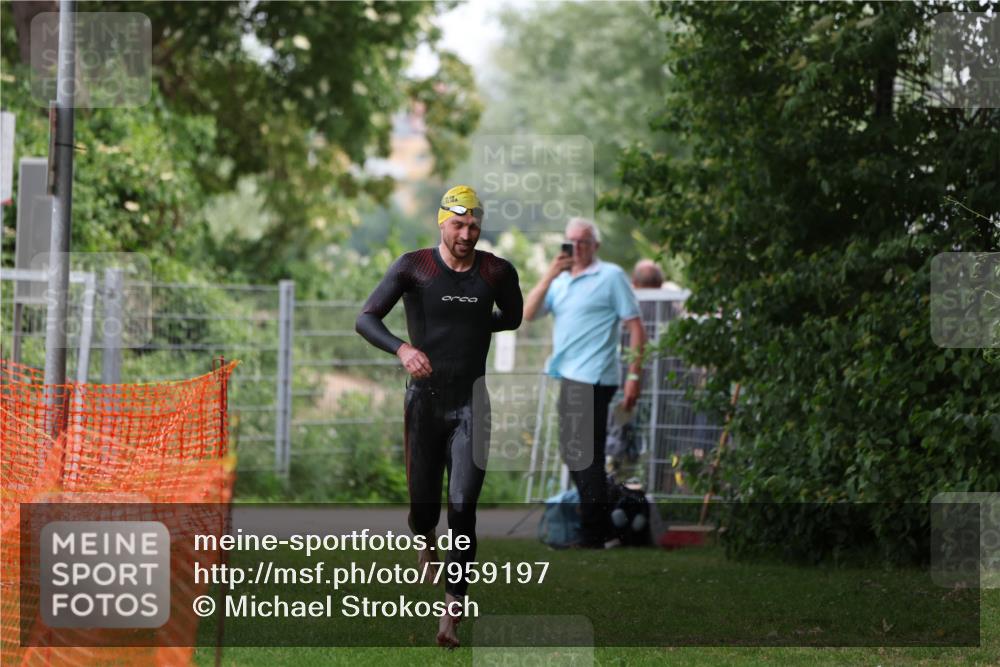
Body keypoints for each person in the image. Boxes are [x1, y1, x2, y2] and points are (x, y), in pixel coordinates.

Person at [355, 185, 522, 648]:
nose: (466, 234)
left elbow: (512, 317)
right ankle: (425, 539)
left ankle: (450, 613)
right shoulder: (414, 267)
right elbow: (366, 318)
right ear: (441, 222)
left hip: (472, 403)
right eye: (458, 224)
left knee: (464, 506)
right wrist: (403, 349)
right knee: (423, 509)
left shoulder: (496, 271)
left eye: (473, 225)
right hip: (423, 404)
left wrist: (471, 323)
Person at [523, 217, 646, 548]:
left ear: (596, 246)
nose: (576, 247)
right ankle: (606, 515)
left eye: (584, 242)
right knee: (573, 453)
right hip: (568, 376)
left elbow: (636, 327)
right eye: (571, 241)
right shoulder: (560, 281)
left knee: (583, 455)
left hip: (594, 376)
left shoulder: (611, 277)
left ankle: (594, 531)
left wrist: (634, 376)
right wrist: (551, 273)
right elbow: (528, 313)